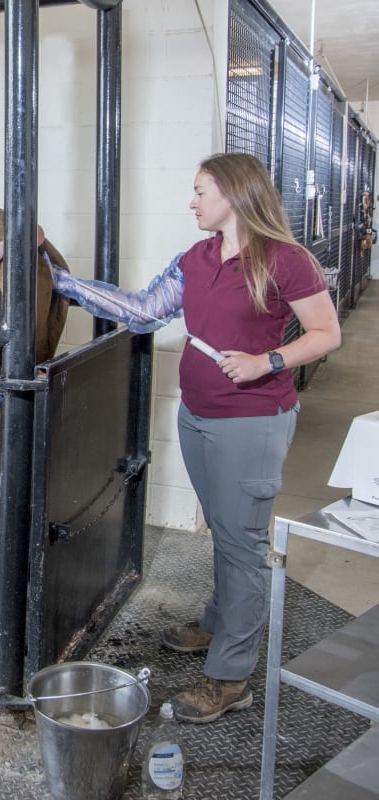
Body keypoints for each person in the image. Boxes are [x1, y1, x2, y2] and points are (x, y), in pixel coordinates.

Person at [50, 153, 342, 723]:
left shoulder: (286, 261)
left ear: (233, 194)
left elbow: (325, 332)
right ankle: (217, 623)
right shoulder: (198, 257)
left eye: (200, 190)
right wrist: (58, 280)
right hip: (198, 416)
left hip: (251, 421)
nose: (192, 201)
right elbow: (140, 313)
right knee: (226, 531)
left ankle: (232, 678)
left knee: (243, 545)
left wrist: (267, 361)